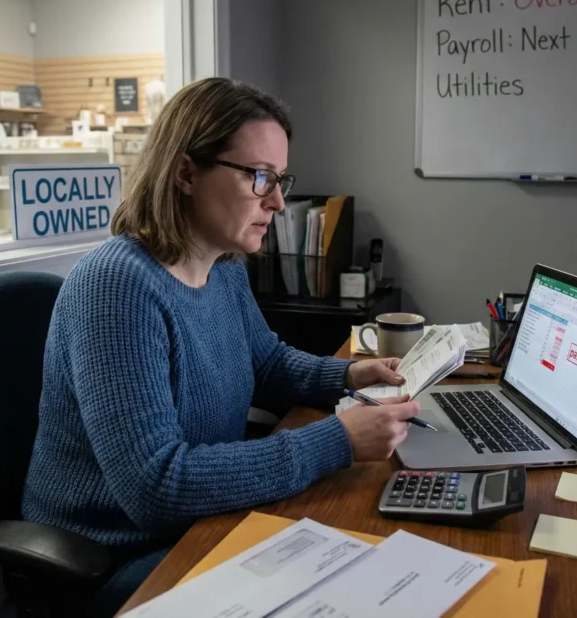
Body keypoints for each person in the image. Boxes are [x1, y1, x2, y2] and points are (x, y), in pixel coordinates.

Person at [21, 77, 421, 616]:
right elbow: (157, 487)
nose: (279, 201)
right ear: (186, 173)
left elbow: (269, 363)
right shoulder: (115, 286)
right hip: (114, 557)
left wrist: (351, 376)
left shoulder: (223, 265)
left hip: (201, 522)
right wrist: (336, 442)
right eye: (260, 178)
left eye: (281, 179)